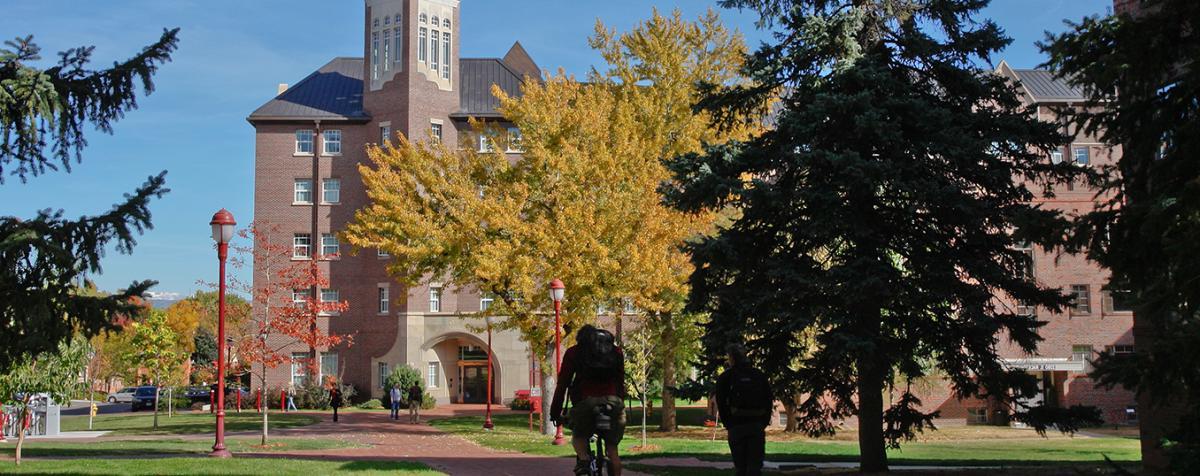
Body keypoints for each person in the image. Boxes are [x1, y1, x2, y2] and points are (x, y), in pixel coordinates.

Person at [549, 325, 626, 476]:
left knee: (579, 437)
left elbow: (563, 383)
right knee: (612, 450)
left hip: (586, 403)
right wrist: (619, 403)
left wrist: (555, 412)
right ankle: (613, 463)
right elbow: (620, 380)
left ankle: (584, 461)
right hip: (612, 403)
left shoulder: (574, 352)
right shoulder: (615, 352)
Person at [715, 343, 773, 476]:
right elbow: (768, 399)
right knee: (755, 467)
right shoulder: (758, 375)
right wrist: (763, 421)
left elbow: (721, 402)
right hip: (756, 424)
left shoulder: (726, 377)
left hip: (736, 425)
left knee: (740, 467)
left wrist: (728, 423)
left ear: (731, 358)